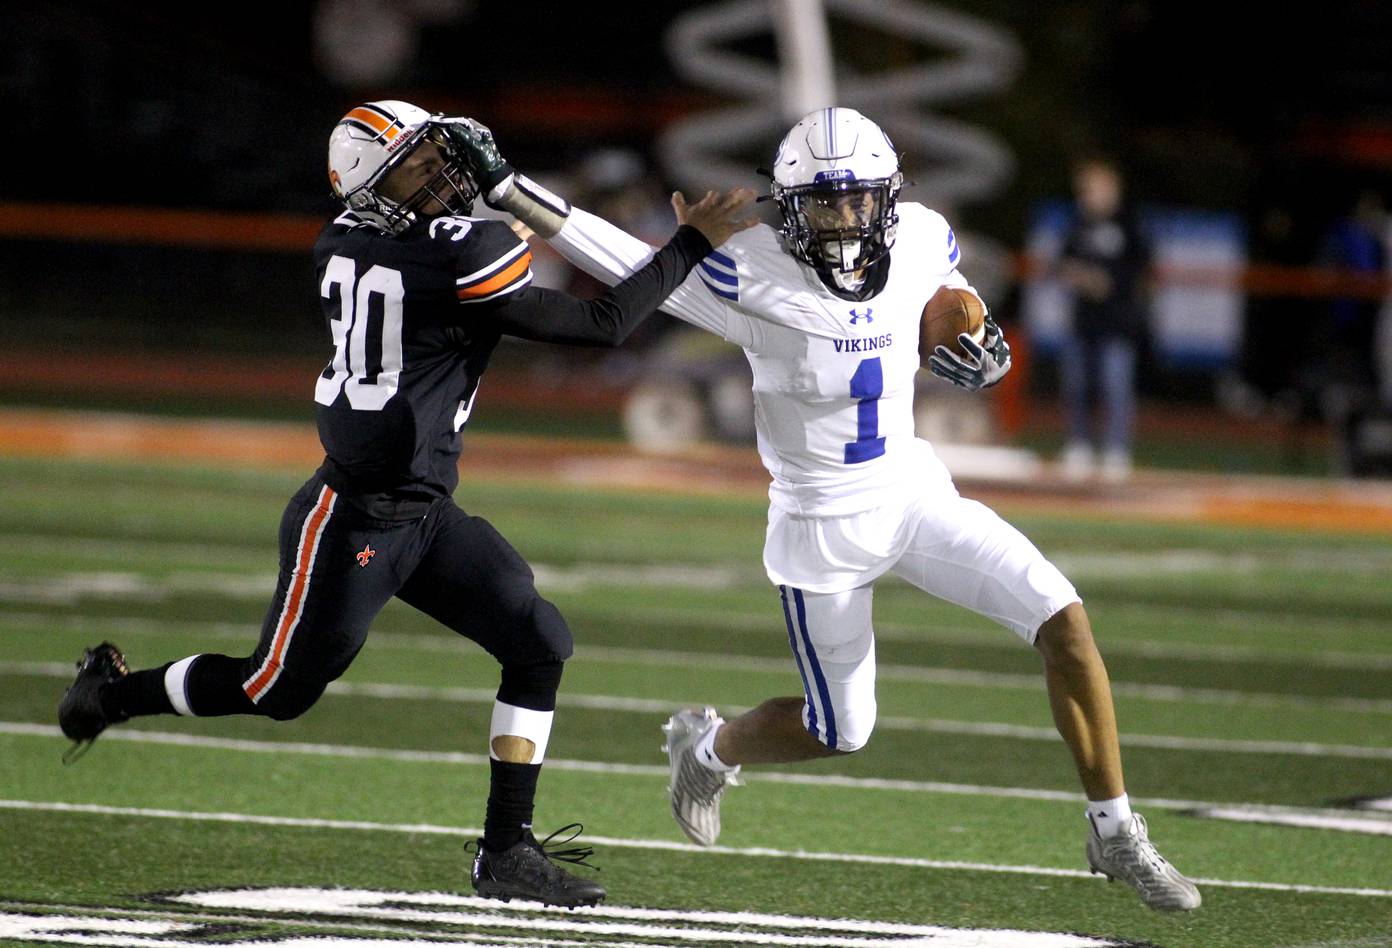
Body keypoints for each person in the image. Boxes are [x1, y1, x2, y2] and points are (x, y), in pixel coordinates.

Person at [462, 107, 1200, 912]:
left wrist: (976, 330)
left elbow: (952, 295)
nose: (843, 221)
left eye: (857, 202)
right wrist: (505, 189)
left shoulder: (920, 235)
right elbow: (612, 252)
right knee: (840, 731)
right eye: (821, 204)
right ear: (787, 207)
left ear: (886, 199)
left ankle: (1115, 828)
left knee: (1064, 621)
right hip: (822, 528)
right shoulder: (748, 273)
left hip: (915, 494)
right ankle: (708, 747)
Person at [56, 99, 756, 908]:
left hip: (425, 510)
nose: (442, 175)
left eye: (437, 158)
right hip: (352, 516)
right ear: (373, 190)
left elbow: (459, 259)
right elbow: (601, 325)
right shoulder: (451, 252)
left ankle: (506, 852)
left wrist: (496, 198)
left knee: (538, 640)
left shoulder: (358, 239)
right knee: (275, 692)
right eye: (418, 167)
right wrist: (690, 247)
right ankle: (111, 694)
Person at [1055, 157, 1152, 483]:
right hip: (1083, 322)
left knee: (1116, 387)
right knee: (1077, 385)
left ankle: (1116, 449)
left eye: (1096, 189)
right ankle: (1079, 445)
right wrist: (1082, 278)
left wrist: (1111, 285)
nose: (1089, 196)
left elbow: (1143, 271)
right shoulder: (1077, 224)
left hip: (1118, 324)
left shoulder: (1130, 224)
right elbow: (1061, 264)